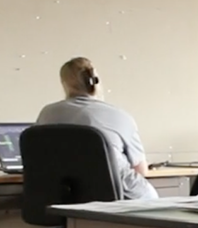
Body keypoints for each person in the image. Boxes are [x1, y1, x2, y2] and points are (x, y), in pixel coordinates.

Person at [35, 57, 158, 200]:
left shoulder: (47, 114)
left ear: (65, 84)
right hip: (123, 200)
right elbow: (141, 170)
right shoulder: (120, 116)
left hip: (65, 198)